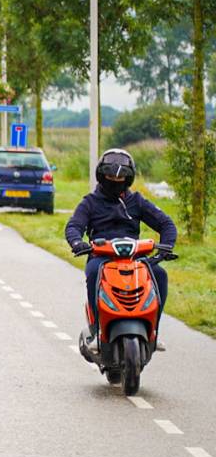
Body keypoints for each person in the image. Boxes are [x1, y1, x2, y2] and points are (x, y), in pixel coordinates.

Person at [65, 149, 176, 358]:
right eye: (111, 176)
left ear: (128, 177)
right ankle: (97, 330)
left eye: (120, 177)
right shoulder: (90, 202)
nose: (115, 180)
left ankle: (153, 330)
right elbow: (74, 226)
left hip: (135, 256)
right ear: (101, 175)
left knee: (159, 275)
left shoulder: (137, 201)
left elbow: (166, 223)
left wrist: (166, 246)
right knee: (93, 274)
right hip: (101, 256)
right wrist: (77, 242)